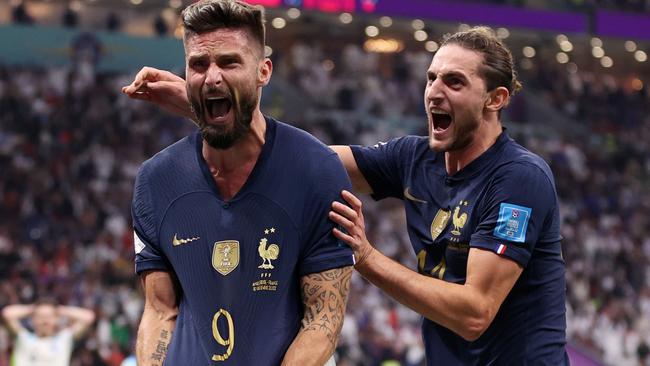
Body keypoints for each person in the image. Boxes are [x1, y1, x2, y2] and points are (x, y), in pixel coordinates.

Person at [123, 26, 567, 365]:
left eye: (454, 82)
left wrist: (367, 257)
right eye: (431, 78)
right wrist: (202, 104)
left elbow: (474, 314)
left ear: (496, 99)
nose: (433, 91)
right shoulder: (416, 160)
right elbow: (300, 160)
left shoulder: (518, 179)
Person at [127, 0, 353, 365]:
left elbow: (322, 320)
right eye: (198, 65)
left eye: (229, 62)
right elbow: (159, 310)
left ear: (263, 71)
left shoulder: (317, 171)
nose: (212, 77)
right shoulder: (155, 180)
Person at [1, 298, 96, 366]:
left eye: (49, 316)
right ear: (33, 319)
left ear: (57, 319)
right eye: (40, 316)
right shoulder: (23, 338)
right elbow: (7, 313)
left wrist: (60, 309)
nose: (45, 321)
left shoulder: (64, 339)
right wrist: (33, 308)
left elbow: (88, 316)